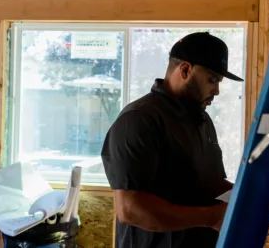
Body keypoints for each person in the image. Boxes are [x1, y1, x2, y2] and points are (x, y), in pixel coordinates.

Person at [101, 32, 244, 248]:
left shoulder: (202, 120)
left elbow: (211, 184)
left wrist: (249, 195)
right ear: (185, 70)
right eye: (212, 80)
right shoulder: (140, 119)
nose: (216, 90)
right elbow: (130, 209)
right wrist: (211, 217)